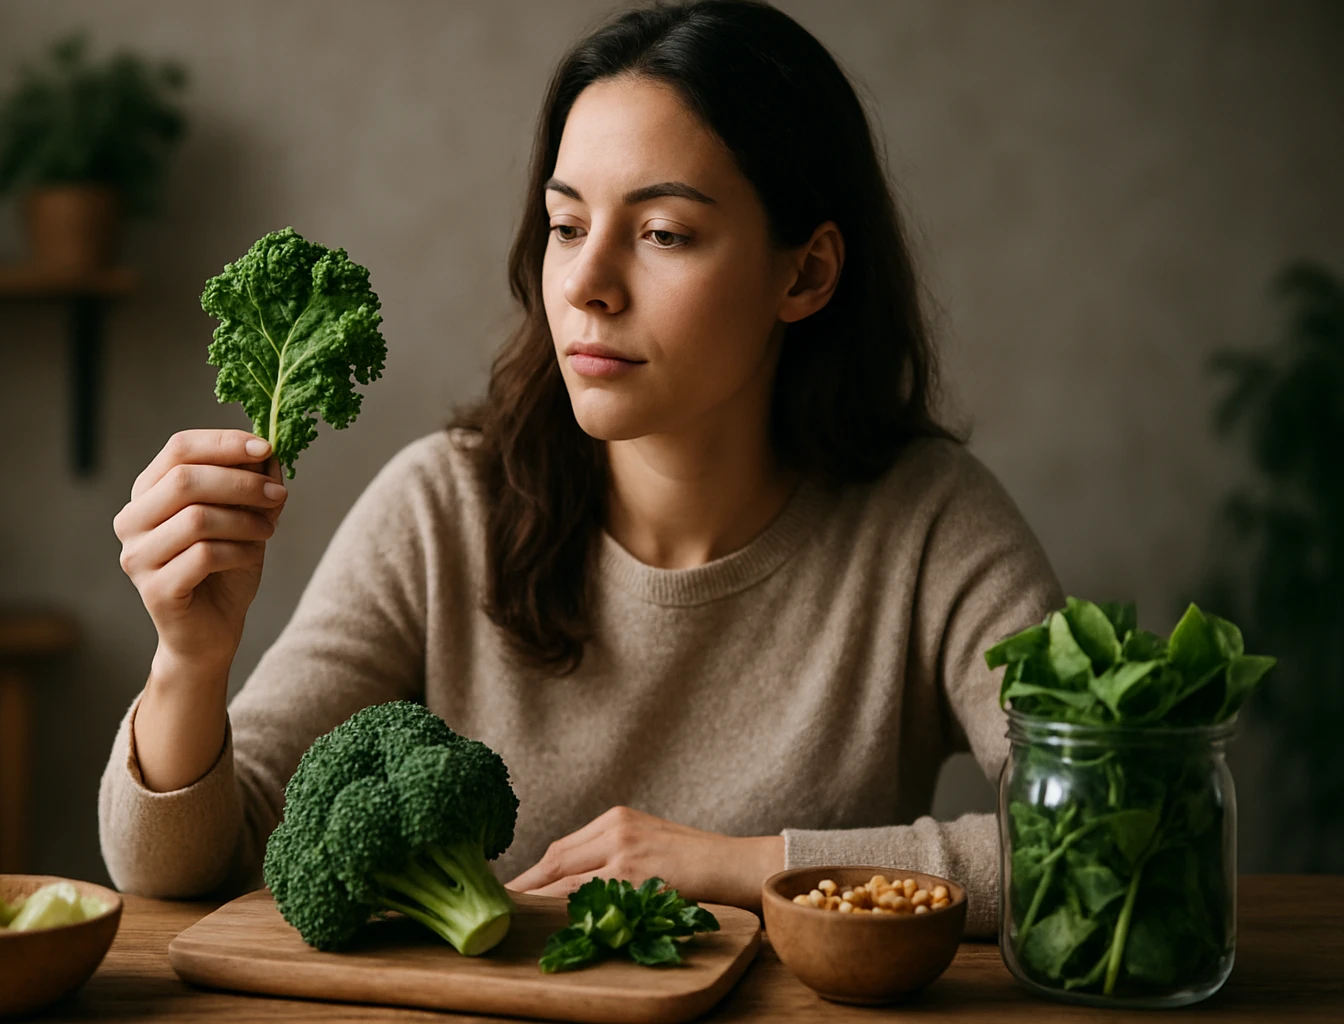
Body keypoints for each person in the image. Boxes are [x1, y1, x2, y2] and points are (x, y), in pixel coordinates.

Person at [99, 0, 1061, 939]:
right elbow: (176, 866)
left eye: (663, 234)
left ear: (804, 274)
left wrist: (747, 864)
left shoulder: (933, 524)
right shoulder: (442, 508)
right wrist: (190, 660)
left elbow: (1102, 841)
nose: (586, 284)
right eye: (566, 225)